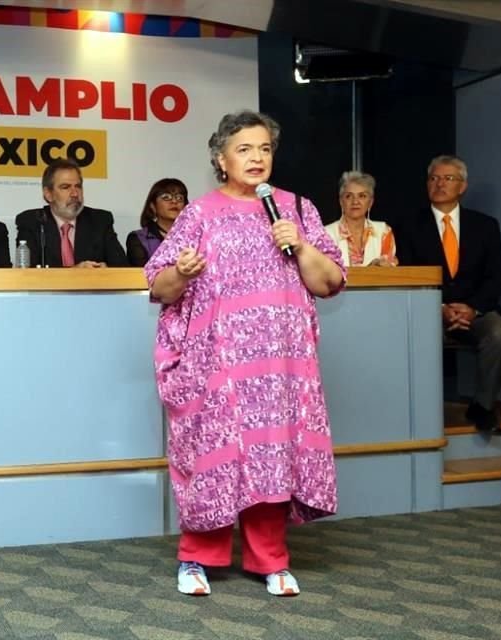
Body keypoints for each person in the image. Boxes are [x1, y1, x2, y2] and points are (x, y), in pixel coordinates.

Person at [146, 110, 345, 597]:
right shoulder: (199, 213)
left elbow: (330, 281)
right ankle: (197, 559)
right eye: (244, 149)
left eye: (264, 149)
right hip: (219, 363)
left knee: (271, 453)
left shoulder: (296, 208)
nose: (256, 158)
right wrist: (185, 273)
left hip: (280, 364)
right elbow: (161, 285)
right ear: (221, 158)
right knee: (217, 455)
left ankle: (270, 559)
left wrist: (299, 246)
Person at [396, 155, 501, 436]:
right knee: (416, 336)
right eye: (434, 178)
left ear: (462, 186)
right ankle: (421, 414)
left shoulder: (485, 225)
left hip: (475, 311)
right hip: (429, 311)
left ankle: (482, 407)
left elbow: (496, 277)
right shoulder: (408, 224)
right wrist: (440, 308)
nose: (439, 184)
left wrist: (472, 309)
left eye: (448, 179)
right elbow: (407, 274)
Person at [15, 158, 127, 268]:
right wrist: (74, 272)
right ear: (48, 194)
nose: (74, 194)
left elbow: (123, 269)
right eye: (65, 187)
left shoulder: (100, 221)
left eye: (78, 186)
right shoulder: (32, 222)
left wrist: (106, 270)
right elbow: (27, 275)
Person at [324, 171, 397, 267]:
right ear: (341, 201)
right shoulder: (326, 233)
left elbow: (389, 270)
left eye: (362, 196)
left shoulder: (383, 231)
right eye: (349, 196)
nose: (355, 201)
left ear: (370, 202)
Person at [126, 178, 189, 267]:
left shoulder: (194, 236)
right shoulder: (139, 239)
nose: (174, 201)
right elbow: (142, 275)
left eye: (179, 198)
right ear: (153, 206)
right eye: (166, 197)